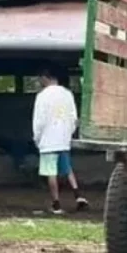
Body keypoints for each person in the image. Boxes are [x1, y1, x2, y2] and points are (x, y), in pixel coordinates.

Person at [32, 66, 86, 214]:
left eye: (40, 78)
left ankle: (56, 204)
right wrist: (68, 134)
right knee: (67, 169)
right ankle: (78, 196)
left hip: (48, 140)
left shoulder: (42, 96)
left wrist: (37, 138)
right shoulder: (67, 94)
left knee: (51, 172)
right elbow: (74, 118)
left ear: (45, 77)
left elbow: (39, 121)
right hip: (63, 139)